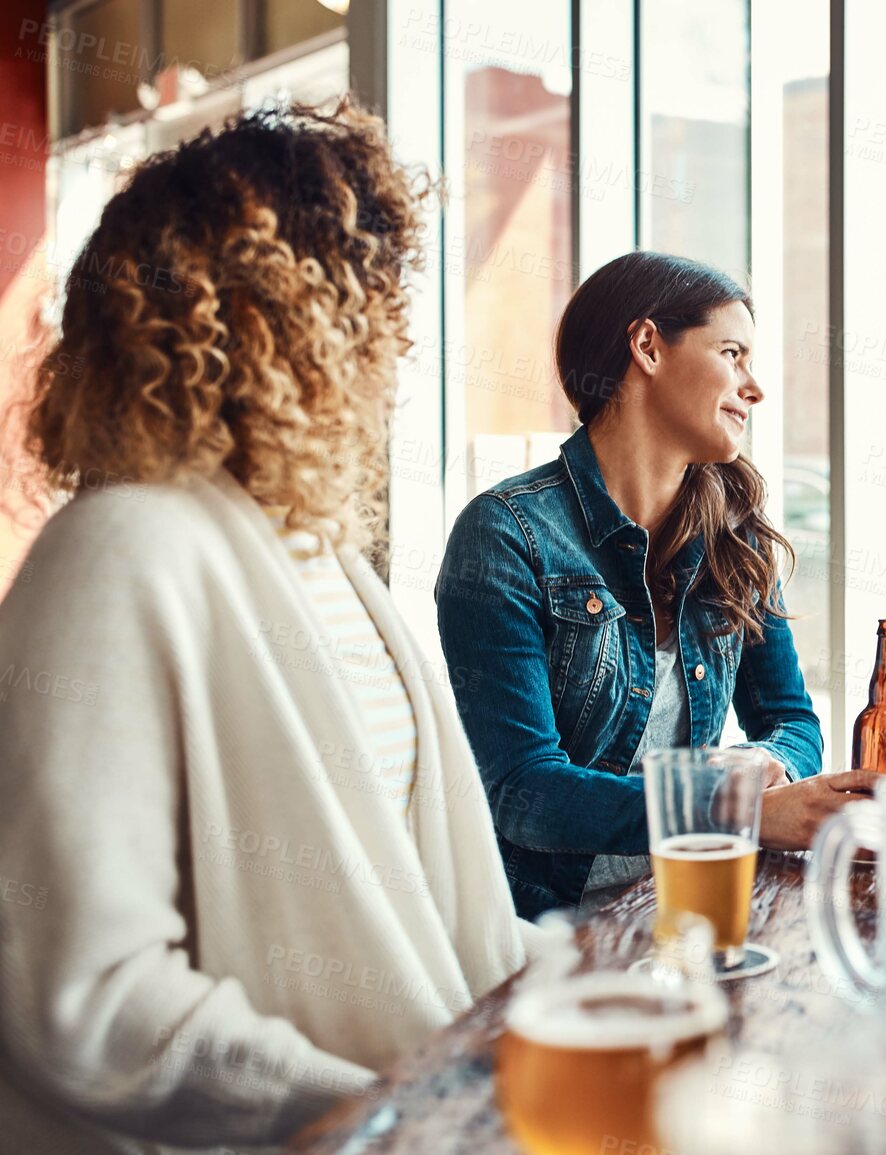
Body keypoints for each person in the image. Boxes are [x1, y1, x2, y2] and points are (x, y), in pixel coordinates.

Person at [0, 104, 528, 1152]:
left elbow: (426, 903)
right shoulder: (117, 551)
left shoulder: (317, 555)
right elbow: (90, 1001)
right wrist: (381, 1111)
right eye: (375, 296)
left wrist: (603, 985)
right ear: (292, 319)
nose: (397, 338)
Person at [437, 251, 874, 918]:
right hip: (547, 930)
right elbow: (525, 793)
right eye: (733, 353)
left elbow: (791, 721)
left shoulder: (736, 535)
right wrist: (737, 808)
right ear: (647, 346)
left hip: (692, 902)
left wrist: (760, 762)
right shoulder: (506, 535)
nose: (754, 387)